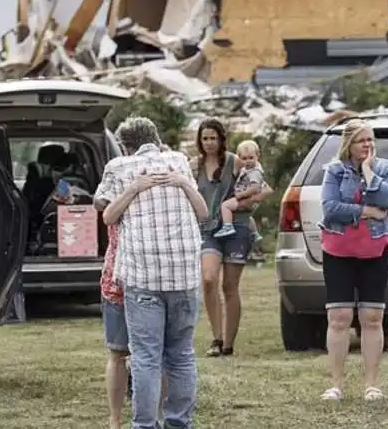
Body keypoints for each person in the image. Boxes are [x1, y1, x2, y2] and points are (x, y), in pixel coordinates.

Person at [94, 117, 208, 429]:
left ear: (124, 145)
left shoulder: (119, 167)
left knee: (145, 357)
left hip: (143, 275)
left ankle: (145, 424)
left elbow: (104, 211)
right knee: (182, 354)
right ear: (156, 139)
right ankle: (179, 423)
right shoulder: (180, 161)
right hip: (183, 274)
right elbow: (204, 213)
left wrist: (131, 190)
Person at [318, 118, 388, 402]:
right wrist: (366, 212)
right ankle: (336, 384)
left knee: (372, 317)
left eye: (370, 140)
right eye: (362, 140)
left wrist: (368, 173)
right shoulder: (334, 171)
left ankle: (371, 385)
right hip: (338, 252)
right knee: (339, 318)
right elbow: (330, 209)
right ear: (349, 144)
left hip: (375, 251)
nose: (368, 145)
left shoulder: (385, 168)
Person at [190, 119, 273, 357]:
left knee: (230, 286)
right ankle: (216, 338)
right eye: (204, 138)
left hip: (236, 228)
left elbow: (264, 189)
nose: (209, 143)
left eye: (213, 138)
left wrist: (242, 203)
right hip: (207, 231)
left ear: (221, 139)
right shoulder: (194, 166)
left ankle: (228, 343)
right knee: (208, 279)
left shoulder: (235, 162)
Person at [216, 139, 267, 243]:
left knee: (225, 206)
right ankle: (254, 233)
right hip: (248, 199)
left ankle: (228, 226)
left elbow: (255, 188)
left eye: (251, 158)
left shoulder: (255, 172)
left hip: (246, 197)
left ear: (258, 156)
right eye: (244, 158)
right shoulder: (248, 169)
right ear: (239, 158)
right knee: (247, 217)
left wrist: (240, 195)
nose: (248, 161)